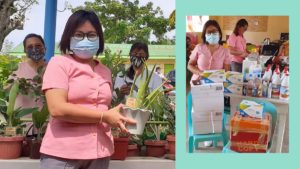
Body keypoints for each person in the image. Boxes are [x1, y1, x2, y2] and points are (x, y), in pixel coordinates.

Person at [40, 10, 135, 169]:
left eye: (91, 35)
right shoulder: (59, 63)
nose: (85, 39)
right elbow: (57, 108)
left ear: (99, 38)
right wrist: (104, 116)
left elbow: (102, 107)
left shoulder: (105, 71)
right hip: (63, 154)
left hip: (99, 153)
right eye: (78, 34)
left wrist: (119, 119)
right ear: (69, 37)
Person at [8, 33, 46, 111]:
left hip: (47, 120)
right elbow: (7, 90)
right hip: (22, 120)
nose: (34, 49)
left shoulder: (53, 69)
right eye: (30, 47)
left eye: (38, 46)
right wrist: (16, 84)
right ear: (25, 50)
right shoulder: (17, 68)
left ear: (45, 48)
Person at [187, 20, 231, 86]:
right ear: (205, 35)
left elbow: (226, 72)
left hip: (216, 87)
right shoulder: (199, 47)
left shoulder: (225, 51)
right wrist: (200, 73)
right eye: (209, 32)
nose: (212, 34)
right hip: (198, 84)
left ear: (219, 34)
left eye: (214, 31)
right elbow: (190, 65)